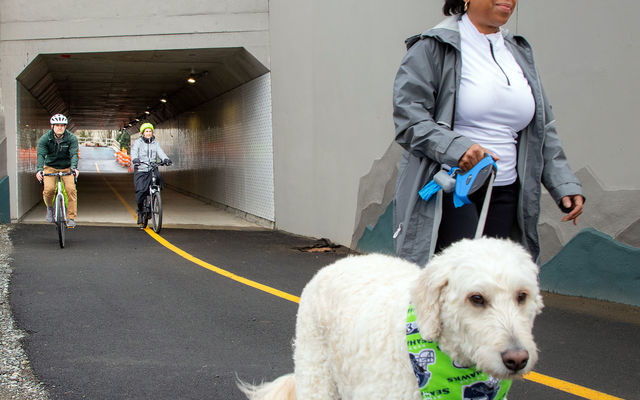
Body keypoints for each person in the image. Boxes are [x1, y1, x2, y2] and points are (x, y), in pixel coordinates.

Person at [392, 0, 584, 265]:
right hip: (451, 188)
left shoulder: (518, 53)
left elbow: (542, 128)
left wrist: (563, 183)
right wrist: (459, 150)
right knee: (461, 281)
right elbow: (410, 120)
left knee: (492, 285)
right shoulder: (432, 47)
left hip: (504, 191)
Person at [36, 114, 79, 228]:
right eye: (57, 125)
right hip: (50, 166)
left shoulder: (71, 138)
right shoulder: (45, 139)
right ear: (52, 126)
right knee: (49, 190)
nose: (60, 127)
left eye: (62, 125)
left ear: (65, 127)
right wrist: (39, 170)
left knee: (71, 190)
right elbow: (41, 155)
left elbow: (74, 154)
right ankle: (50, 208)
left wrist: (74, 168)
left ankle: (71, 218)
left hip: (66, 167)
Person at [130, 122, 172, 227]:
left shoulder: (155, 143)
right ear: (143, 133)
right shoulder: (138, 142)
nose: (148, 133)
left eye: (150, 131)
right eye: (146, 131)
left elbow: (160, 152)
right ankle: (140, 211)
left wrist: (165, 159)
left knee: (157, 183)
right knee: (140, 192)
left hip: (152, 168)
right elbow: (134, 152)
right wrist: (135, 159)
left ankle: (154, 198)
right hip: (141, 169)